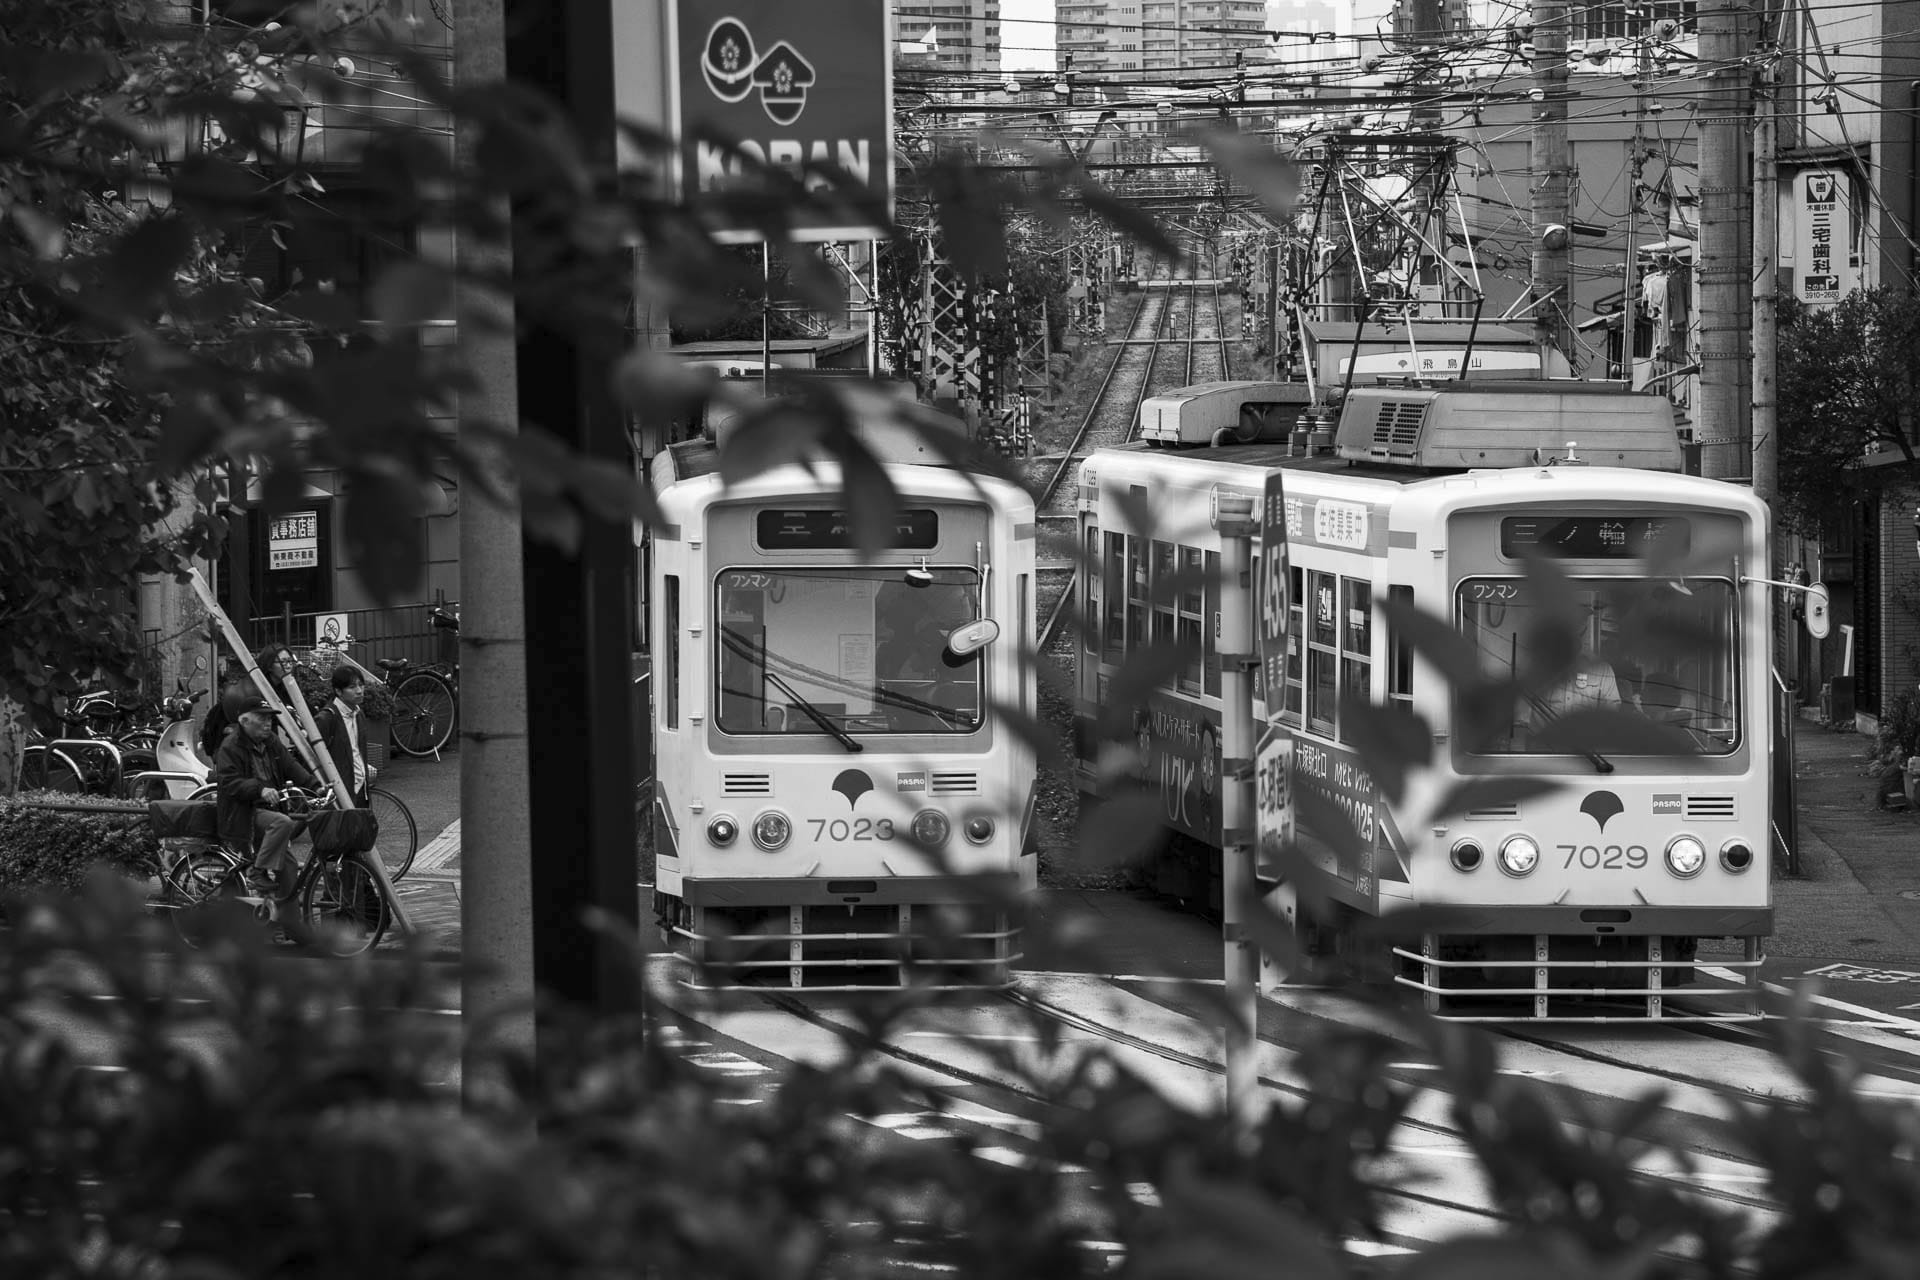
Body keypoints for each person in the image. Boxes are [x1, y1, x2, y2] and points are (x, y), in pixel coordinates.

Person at [214, 694, 318, 912]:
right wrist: (259, 788)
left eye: (269, 718)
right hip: (244, 813)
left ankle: (293, 927)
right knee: (283, 823)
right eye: (261, 718)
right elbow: (230, 782)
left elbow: (291, 766)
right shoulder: (230, 746)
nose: (267, 722)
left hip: (269, 812)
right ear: (243, 721)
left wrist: (315, 786)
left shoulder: (271, 741)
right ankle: (257, 872)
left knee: (288, 868)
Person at [313, 666, 377, 804]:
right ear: (338, 691)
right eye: (352, 687)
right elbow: (313, 757)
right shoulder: (326, 718)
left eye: (361, 685)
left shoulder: (359, 714)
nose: (359, 691)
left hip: (361, 786)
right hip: (339, 790)